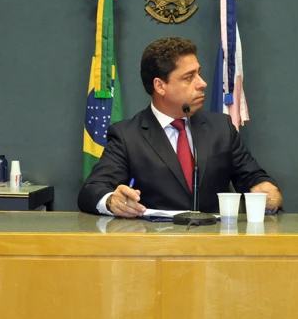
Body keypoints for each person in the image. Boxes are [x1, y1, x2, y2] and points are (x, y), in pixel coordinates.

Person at [78, 36, 281, 217]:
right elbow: (92, 189)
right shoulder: (127, 136)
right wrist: (111, 201)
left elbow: (253, 178)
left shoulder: (221, 128)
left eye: (199, 74)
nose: (202, 83)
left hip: (214, 245)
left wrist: (267, 191)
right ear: (160, 86)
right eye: (188, 77)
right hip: (154, 247)